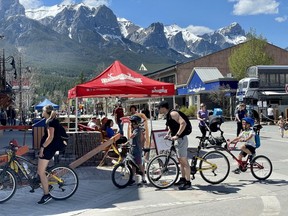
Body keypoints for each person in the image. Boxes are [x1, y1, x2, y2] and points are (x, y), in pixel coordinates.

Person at [157, 100, 191, 190]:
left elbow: (183, 123)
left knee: (184, 162)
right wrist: (168, 134)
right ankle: (183, 179)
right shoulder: (168, 115)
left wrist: (177, 135)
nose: (158, 110)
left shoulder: (173, 114)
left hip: (181, 139)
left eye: (159, 108)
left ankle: (188, 182)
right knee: (180, 161)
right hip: (177, 140)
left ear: (163, 108)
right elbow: (172, 127)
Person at [37, 105, 64, 204]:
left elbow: (50, 137)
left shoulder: (50, 122)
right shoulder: (51, 120)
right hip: (49, 148)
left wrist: (42, 148)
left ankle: (46, 195)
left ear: (46, 112)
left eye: (43, 111)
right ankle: (47, 186)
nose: (42, 112)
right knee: (40, 171)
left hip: (48, 149)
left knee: (41, 172)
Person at [128, 115, 146, 186]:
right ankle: (132, 179)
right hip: (133, 149)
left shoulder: (137, 130)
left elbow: (133, 136)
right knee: (133, 165)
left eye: (134, 123)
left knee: (139, 164)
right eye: (132, 123)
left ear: (137, 123)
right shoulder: (135, 129)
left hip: (137, 150)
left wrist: (130, 137)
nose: (132, 124)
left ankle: (144, 178)